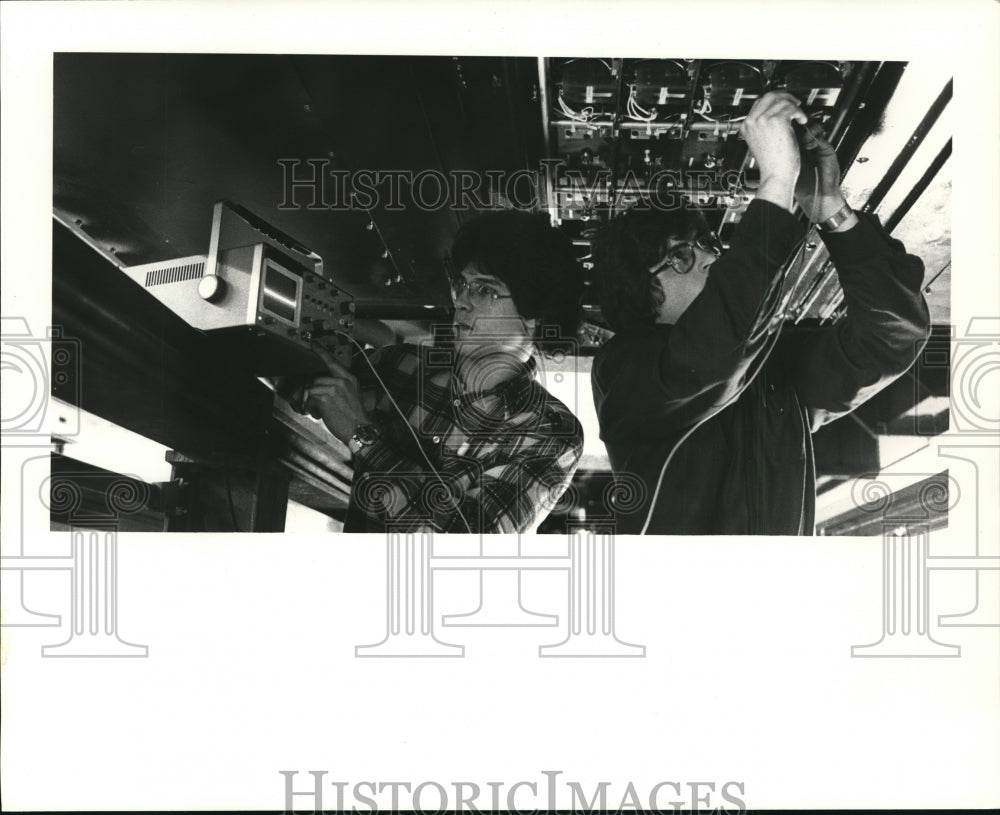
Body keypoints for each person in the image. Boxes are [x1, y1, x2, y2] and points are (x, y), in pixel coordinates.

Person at [591, 91, 931, 535]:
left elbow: (893, 335)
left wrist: (827, 206)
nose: (711, 258)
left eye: (708, 245)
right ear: (639, 289)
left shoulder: (772, 368)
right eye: (680, 255)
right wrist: (774, 181)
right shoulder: (623, 372)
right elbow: (708, 358)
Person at [294, 209, 585, 533]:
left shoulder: (549, 432)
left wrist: (362, 436)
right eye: (461, 284)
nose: (461, 301)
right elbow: (303, 380)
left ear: (536, 312)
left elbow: (460, 550)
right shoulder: (397, 366)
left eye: (484, 290)